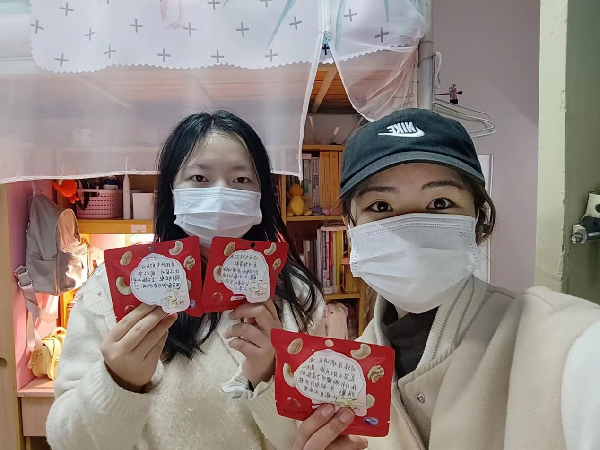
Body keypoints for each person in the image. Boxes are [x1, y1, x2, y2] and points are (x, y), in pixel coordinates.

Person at [293, 108, 600, 450]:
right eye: (380, 206)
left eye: (440, 202)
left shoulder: (569, 344)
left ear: (479, 220)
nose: (411, 232)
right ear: (350, 227)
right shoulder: (349, 376)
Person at [46, 111, 324, 450]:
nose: (220, 194)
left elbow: (315, 436)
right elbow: (67, 441)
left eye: (241, 179)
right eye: (199, 178)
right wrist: (118, 381)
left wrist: (269, 376)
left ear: (262, 195)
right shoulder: (112, 289)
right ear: (171, 191)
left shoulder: (297, 294)